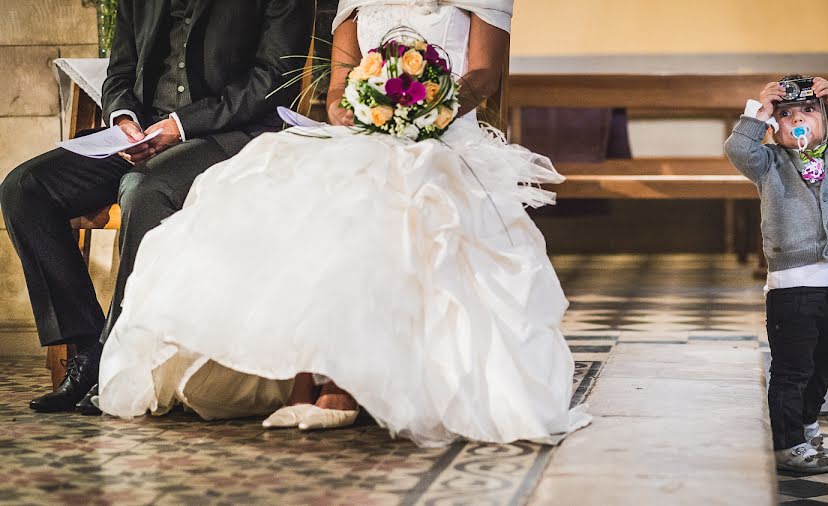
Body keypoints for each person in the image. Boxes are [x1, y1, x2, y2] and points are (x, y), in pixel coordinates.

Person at [96, 0, 591, 447]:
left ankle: (341, 382)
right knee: (301, 196)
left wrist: (428, 109)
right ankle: (303, 374)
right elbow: (340, 79)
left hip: (443, 136)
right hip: (364, 132)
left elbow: (484, 74)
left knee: (384, 202)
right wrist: (348, 109)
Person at [0, 0, 314, 415]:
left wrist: (181, 126)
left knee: (143, 189)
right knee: (25, 188)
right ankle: (88, 347)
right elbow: (120, 72)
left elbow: (273, 80)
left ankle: (121, 356)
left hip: (228, 135)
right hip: (143, 136)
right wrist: (123, 119)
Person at [724, 75, 828, 472]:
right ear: (774, 125)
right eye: (786, 113)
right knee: (792, 369)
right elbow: (739, 149)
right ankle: (788, 442)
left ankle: (807, 420)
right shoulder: (769, 163)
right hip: (792, 290)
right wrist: (759, 113)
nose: (798, 119)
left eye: (809, 110)